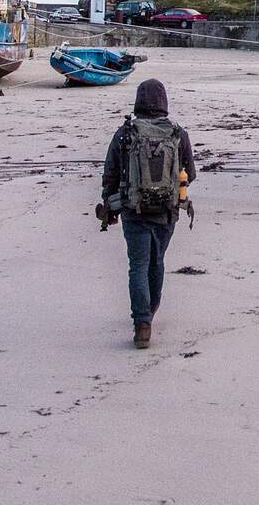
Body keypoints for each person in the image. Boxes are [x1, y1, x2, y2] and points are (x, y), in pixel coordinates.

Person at [101, 77, 196, 349]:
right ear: (164, 102)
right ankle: (151, 309)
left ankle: (142, 322)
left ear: (138, 101)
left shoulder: (125, 133)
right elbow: (190, 174)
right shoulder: (178, 134)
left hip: (134, 211)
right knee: (157, 261)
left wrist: (110, 204)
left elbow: (110, 173)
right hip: (167, 212)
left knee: (138, 265)